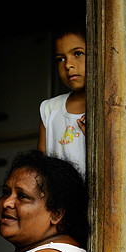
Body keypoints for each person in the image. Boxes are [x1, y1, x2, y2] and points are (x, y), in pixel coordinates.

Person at [37, 26, 86, 175]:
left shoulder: (111, 107)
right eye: (61, 59)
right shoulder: (50, 109)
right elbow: (40, 166)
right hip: (61, 197)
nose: (68, 65)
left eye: (77, 53)